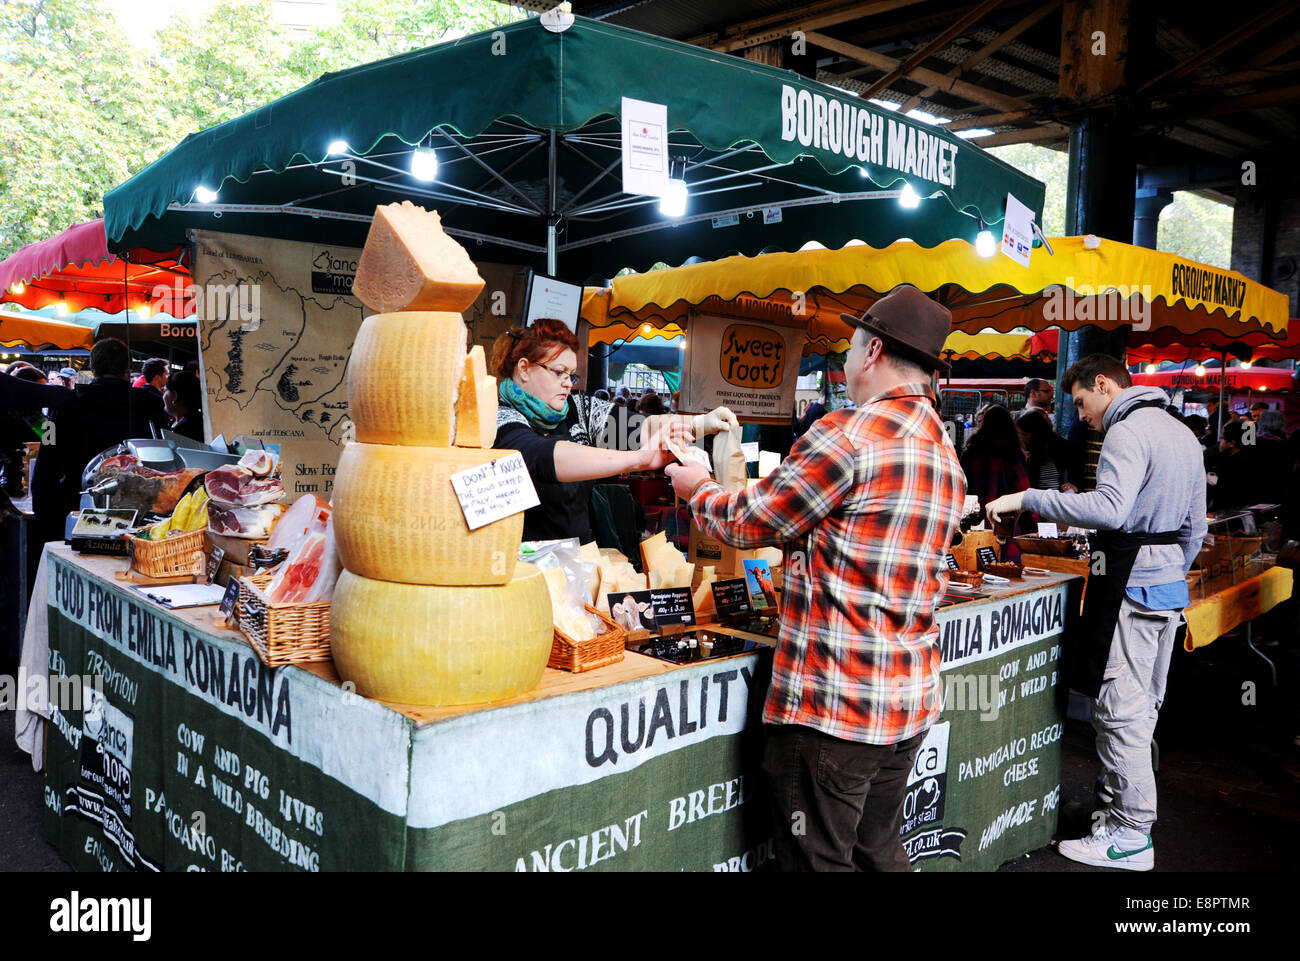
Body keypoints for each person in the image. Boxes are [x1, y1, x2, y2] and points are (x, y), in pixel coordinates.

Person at [665, 284, 965, 872]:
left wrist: (696, 485)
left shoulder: (848, 434)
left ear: (873, 352)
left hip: (836, 708)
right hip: (904, 702)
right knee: (878, 851)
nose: (847, 360)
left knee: (815, 862)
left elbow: (750, 522)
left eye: (851, 347)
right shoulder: (942, 449)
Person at [987, 354, 1207, 872]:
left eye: (1084, 403)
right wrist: (1169, 569)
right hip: (1167, 586)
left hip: (1132, 587)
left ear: (1104, 384)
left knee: (1120, 714)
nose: (1084, 417)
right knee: (1142, 708)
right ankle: (1114, 815)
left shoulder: (1126, 432)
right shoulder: (1181, 434)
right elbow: (1195, 529)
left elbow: (1109, 509)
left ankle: (1131, 836)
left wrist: (1028, 497)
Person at [489, 319, 687, 542]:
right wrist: (639, 459)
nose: (567, 383)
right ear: (524, 369)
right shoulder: (497, 417)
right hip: (524, 565)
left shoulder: (576, 408)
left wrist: (703, 424)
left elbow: (638, 426)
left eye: (571, 375)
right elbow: (546, 456)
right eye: (558, 372)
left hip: (578, 559)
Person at [32, 338, 168, 544]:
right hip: (140, 518)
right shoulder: (151, 404)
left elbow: (45, 462)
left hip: (77, 512)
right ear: (128, 367)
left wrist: (45, 517)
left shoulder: (62, 407)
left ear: (93, 367)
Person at [960, 403, 1029, 527]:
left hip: (972, 516)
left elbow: (960, 484)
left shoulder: (970, 452)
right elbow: (1023, 488)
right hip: (1003, 518)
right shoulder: (1013, 454)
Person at [1016, 408, 1076, 492]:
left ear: (1033, 434)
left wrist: (1072, 486)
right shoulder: (1024, 453)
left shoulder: (1060, 449)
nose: (1020, 438)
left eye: (1023, 434)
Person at [163, 370, 204, 441]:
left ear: (175, 396)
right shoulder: (198, 421)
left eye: (165, 390)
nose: (163, 396)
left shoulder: (183, 429)